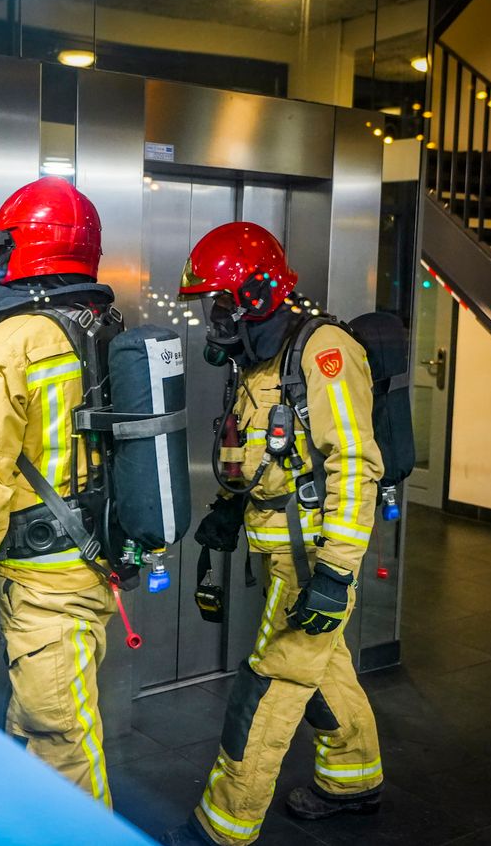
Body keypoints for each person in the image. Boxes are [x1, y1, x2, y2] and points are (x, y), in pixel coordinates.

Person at [162, 222, 385, 845]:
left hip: (312, 559)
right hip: (277, 548)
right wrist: (228, 512)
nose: (214, 318)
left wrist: (337, 573)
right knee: (326, 664)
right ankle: (353, 778)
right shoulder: (260, 360)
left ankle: (222, 826)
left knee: (273, 682)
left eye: (220, 303)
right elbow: (259, 455)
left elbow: (354, 464)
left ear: (255, 294)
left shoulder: (321, 352)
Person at [0, 176, 118, 806]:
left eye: (2, 247)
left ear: (27, 248)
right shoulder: (95, 323)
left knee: (60, 738)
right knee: (39, 723)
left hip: (43, 584)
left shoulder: (11, 344)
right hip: (91, 562)